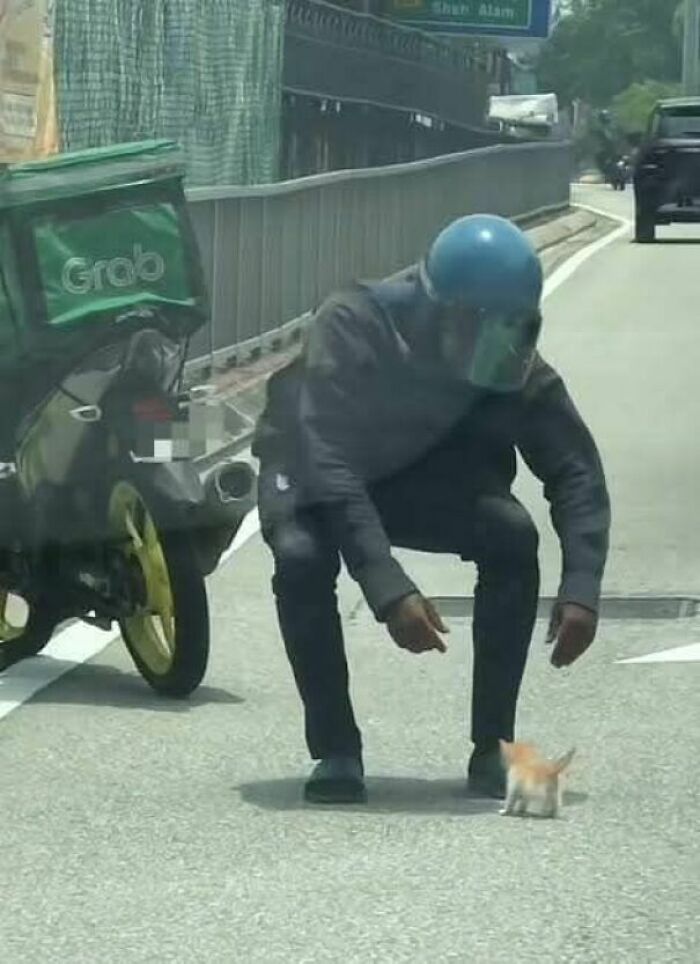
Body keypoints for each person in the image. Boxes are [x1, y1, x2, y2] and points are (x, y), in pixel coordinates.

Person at [251, 214, 611, 805]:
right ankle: (336, 749)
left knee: (511, 534)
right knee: (301, 556)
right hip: (310, 468)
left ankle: (493, 746)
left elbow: (575, 468)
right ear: (435, 310)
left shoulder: (511, 360)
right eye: (477, 327)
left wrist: (582, 585)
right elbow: (331, 467)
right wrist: (389, 588)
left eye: (511, 327)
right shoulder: (352, 325)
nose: (492, 344)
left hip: (406, 476)